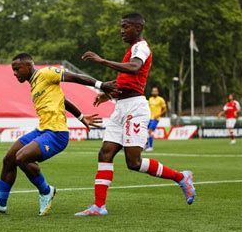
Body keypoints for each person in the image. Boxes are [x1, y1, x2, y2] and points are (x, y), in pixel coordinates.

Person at [75, 12, 196, 216]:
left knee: (134, 162)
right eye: (121, 26)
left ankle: (180, 177)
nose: (122, 30)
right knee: (105, 153)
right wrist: (109, 95)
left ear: (138, 28)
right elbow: (128, 79)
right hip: (121, 106)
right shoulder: (131, 49)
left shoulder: (141, 47)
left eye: (126, 26)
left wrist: (102, 61)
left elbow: (134, 68)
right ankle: (99, 206)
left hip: (135, 109)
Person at [0, 53, 118, 216]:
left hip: (57, 133)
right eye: (13, 70)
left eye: (17, 69)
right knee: (9, 158)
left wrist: (101, 85)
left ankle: (46, 191)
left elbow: (75, 77)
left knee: (21, 157)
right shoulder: (35, 84)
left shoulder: (46, 73)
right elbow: (62, 100)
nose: (15, 73)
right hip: (42, 130)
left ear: (28, 66)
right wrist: (80, 117)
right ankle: (0, 203)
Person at [145, 86, 166, 151]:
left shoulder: (161, 99)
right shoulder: (150, 99)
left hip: (155, 119)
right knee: (146, 132)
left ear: (158, 92)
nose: (154, 92)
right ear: (151, 92)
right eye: (153, 91)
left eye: (155, 91)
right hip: (149, 118)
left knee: (150, 131)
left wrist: (159, 115)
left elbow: (164, 109)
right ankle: (147, 145)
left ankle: (150, 146)